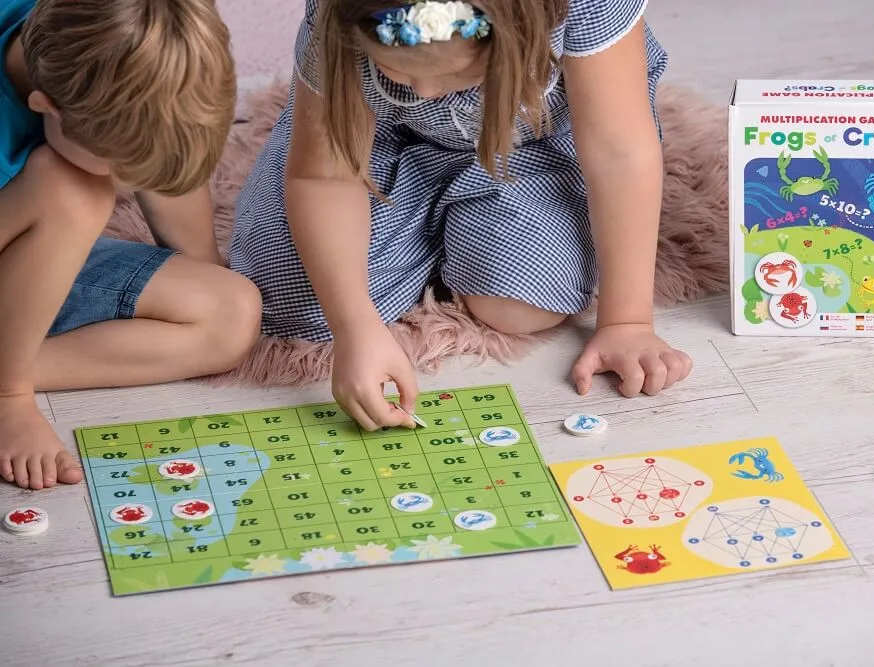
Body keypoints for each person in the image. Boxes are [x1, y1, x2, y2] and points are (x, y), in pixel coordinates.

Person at [229, 0, 692, 432]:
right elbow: (325, 176)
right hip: (381, 133)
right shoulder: (338, 13)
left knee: (518, 304)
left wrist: (626, 323)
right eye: (397, 70)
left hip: (532, 140)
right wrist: (355, 327)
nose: (425, 91)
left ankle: (460, 221)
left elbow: (619, 153)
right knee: (294, 306)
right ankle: (427, 208)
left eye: (456, 72)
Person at [0, 0, 262, 490]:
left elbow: (163, 165)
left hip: (32, 258)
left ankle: (14, 363)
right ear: (45, 107)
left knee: (231, 310)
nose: (135, 185)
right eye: (128, 171)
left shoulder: (102, 39)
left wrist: (203, 270)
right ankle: (6, 389)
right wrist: (12, 397)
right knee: (73, 190)